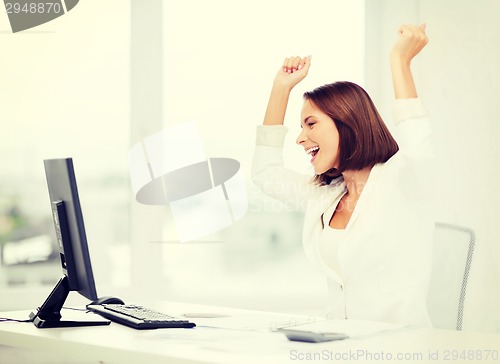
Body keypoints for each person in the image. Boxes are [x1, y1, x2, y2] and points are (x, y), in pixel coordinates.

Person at [251, 24, 434, 326]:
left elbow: (419, 145)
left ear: (347, 123)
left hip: (400, 348)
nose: (300, 138)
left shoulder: (401, 181)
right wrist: (281, 89)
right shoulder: (327, 194)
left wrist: (400, 62)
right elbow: (265, 173)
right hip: (342, 343)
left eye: (311, 124)